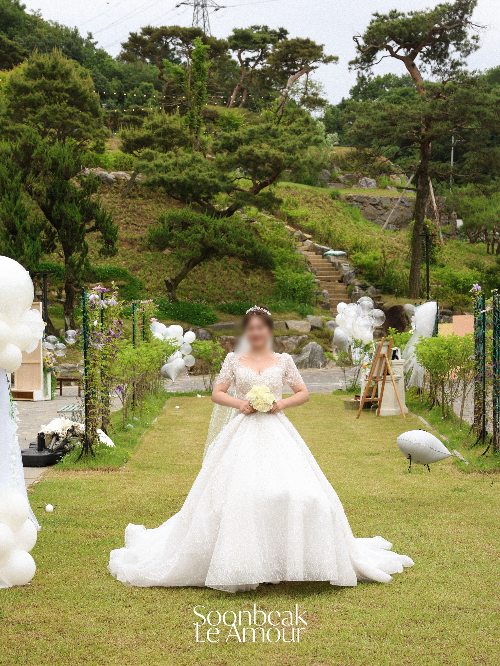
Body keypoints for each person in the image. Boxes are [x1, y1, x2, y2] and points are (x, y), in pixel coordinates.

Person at [109, 306, 413, 592]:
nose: (256, 333)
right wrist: (240, 403)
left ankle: (285, 556)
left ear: (268, 331)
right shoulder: (233, 360)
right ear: (246, 331)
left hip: (276, 429)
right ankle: (244, 560)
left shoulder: (283, 360)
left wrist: (280, 403)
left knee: (297, 493)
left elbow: (303, 392)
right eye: (251, 328)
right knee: (239, 495)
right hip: (243, 430)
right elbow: (217, 393)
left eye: (261, 328)